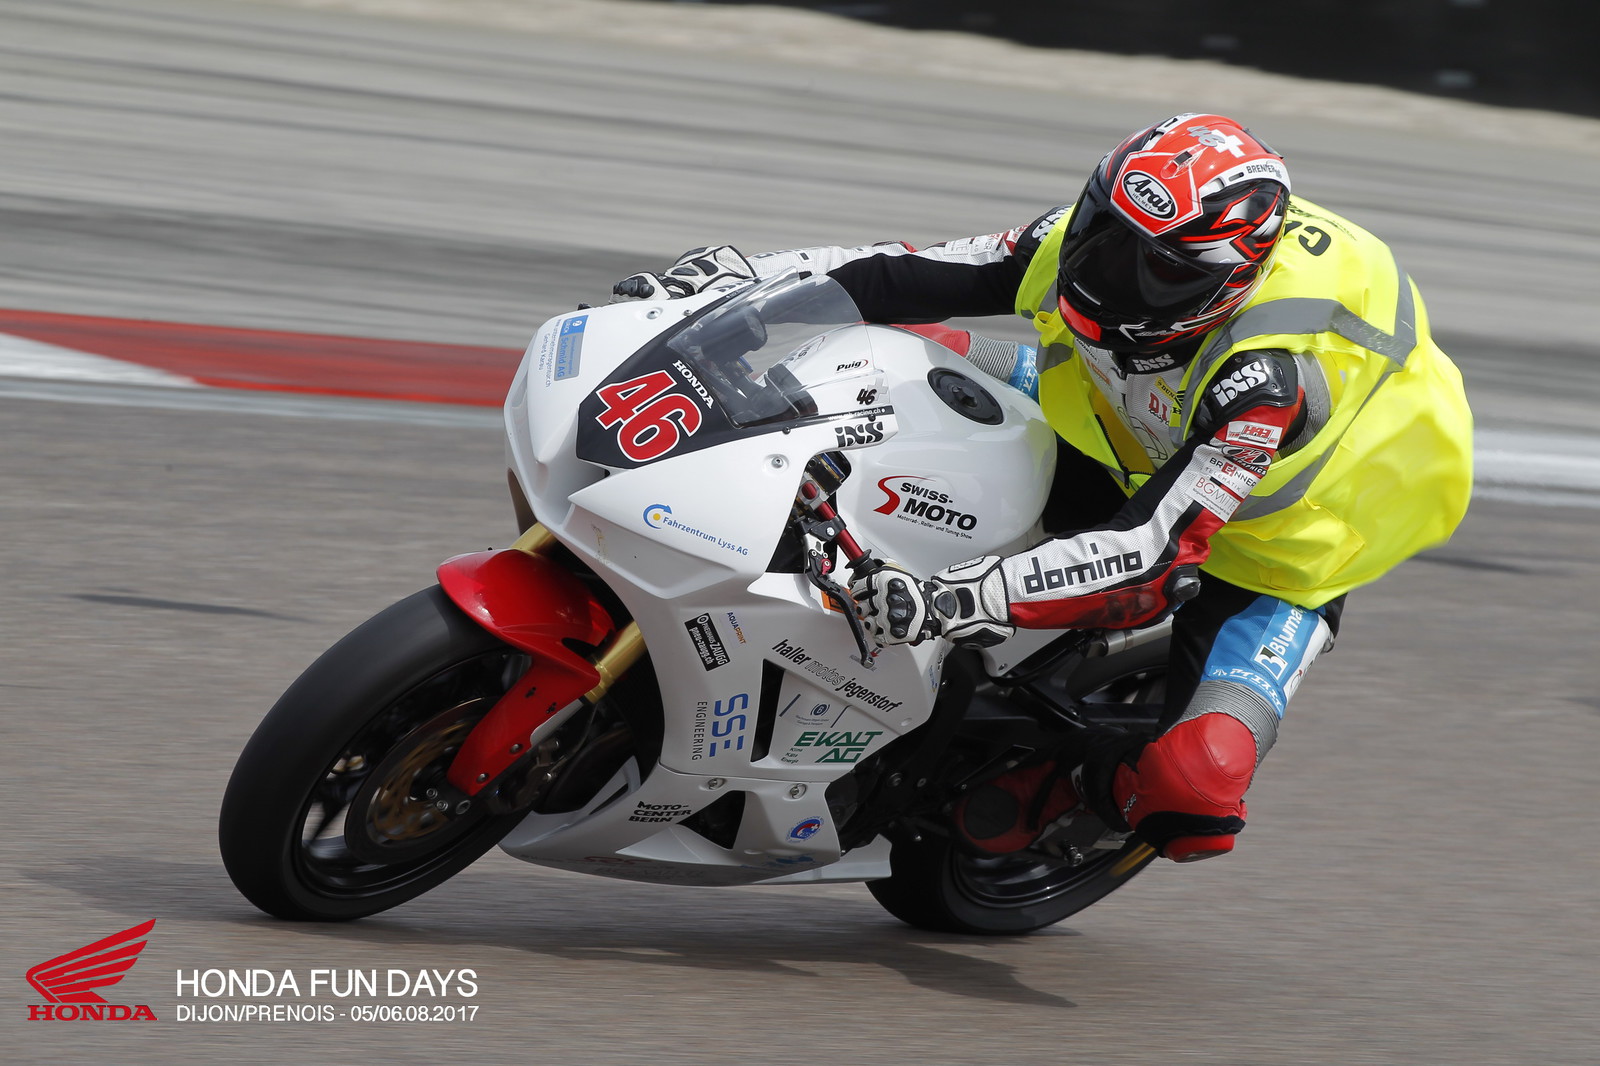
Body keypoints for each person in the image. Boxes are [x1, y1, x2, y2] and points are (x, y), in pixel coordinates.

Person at [613, 113, 1474, 863]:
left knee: (1194, 793)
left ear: (1224, 281)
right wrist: (738, 282)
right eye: (1104, 234)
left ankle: (1071, 798)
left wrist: (950, 600)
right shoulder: (1095, 238)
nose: (1101, 274)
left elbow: (1150, 557)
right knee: (883, 359)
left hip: (1271, 550)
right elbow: (899, 270)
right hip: (1113, 415)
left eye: (1152, 272)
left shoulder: (1269, 376)